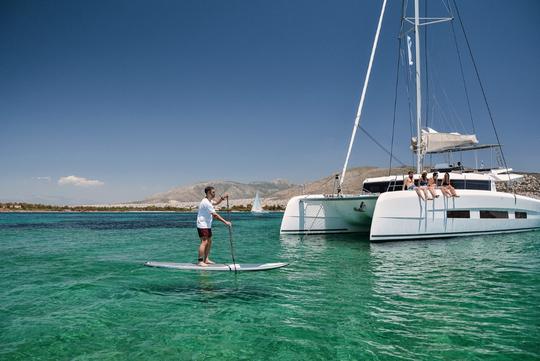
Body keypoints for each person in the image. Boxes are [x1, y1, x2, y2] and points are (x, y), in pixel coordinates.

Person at [196, 186, 232, 267]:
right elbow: (215, 215)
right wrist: (226, 222)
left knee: (209, 241)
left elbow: (216, 203)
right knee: (204, 242)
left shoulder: (209, 201)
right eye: (213, 192)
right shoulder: (206, 202)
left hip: (207, 225)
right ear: (208, 193)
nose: (214, 193)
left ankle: (206, 259)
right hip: (202, 225)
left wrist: (222, 198)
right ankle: (200, 261)